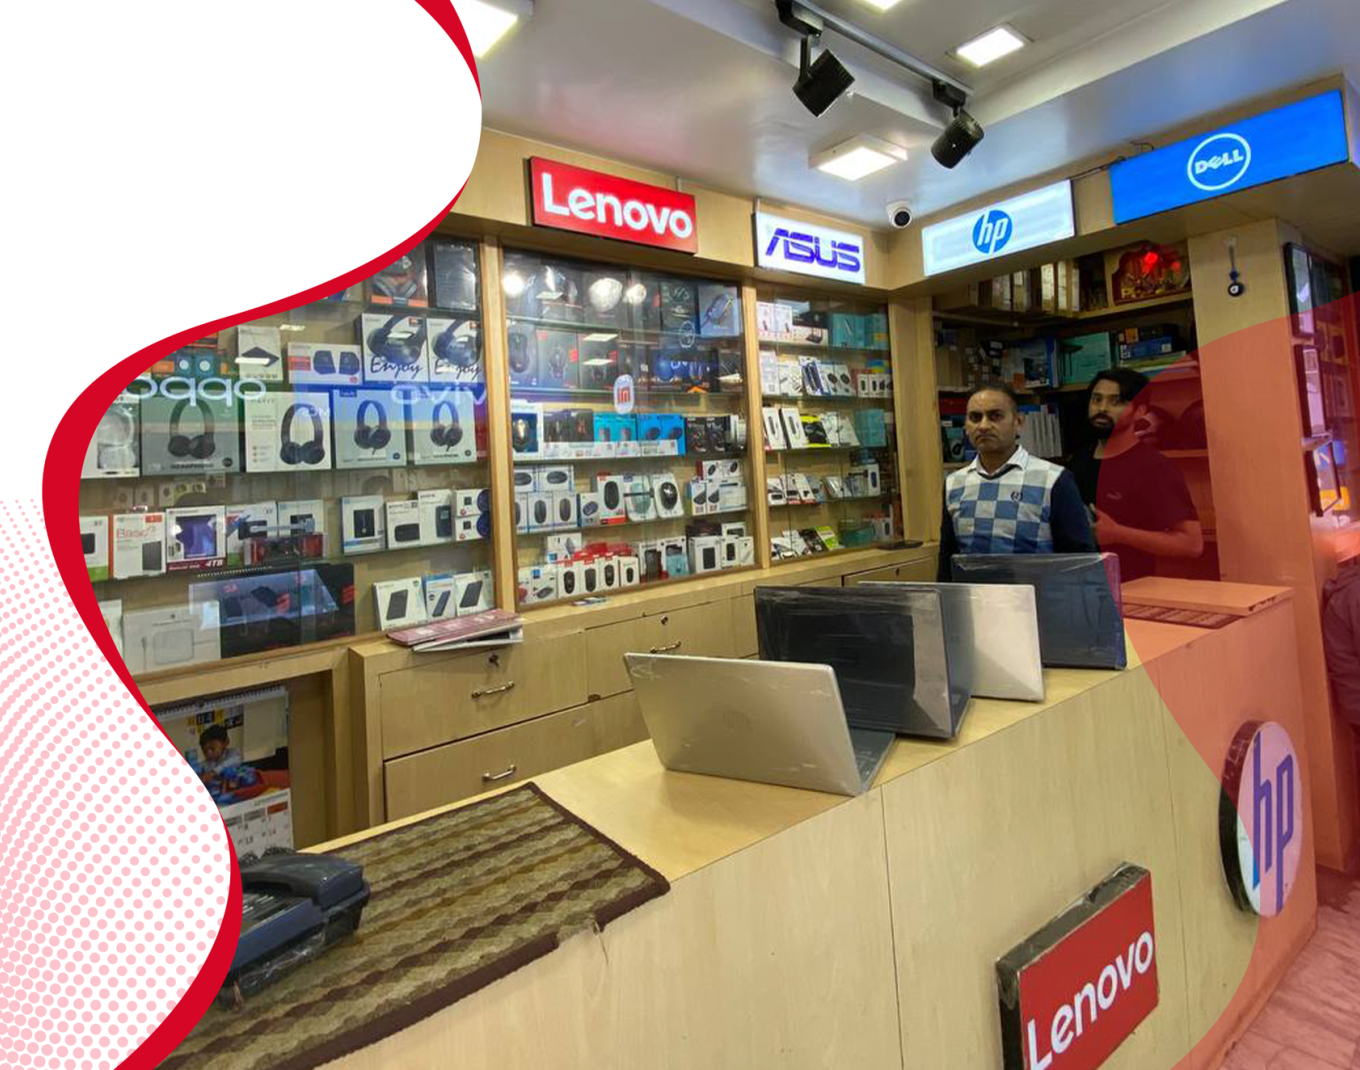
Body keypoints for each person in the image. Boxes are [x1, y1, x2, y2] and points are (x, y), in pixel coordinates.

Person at [938, 383, 1096, 581]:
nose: (983, 426)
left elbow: (1081, 560)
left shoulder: (1053, 479)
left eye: (995, 416)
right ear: (966, 426)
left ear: (1018, 422)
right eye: (975, 417)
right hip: (976, 599)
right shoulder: (954, 484)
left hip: (1040, 598)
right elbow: (947, 560)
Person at [1065, 368, 1203, 582]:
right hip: (1077, 586)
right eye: (1097, 399)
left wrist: (1117, 533)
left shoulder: (1155, 468)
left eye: (1116, 402)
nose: (1102, 408)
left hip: (1129, 588)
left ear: (1139, 412)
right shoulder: (1078, 460)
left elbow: (1192, 544)